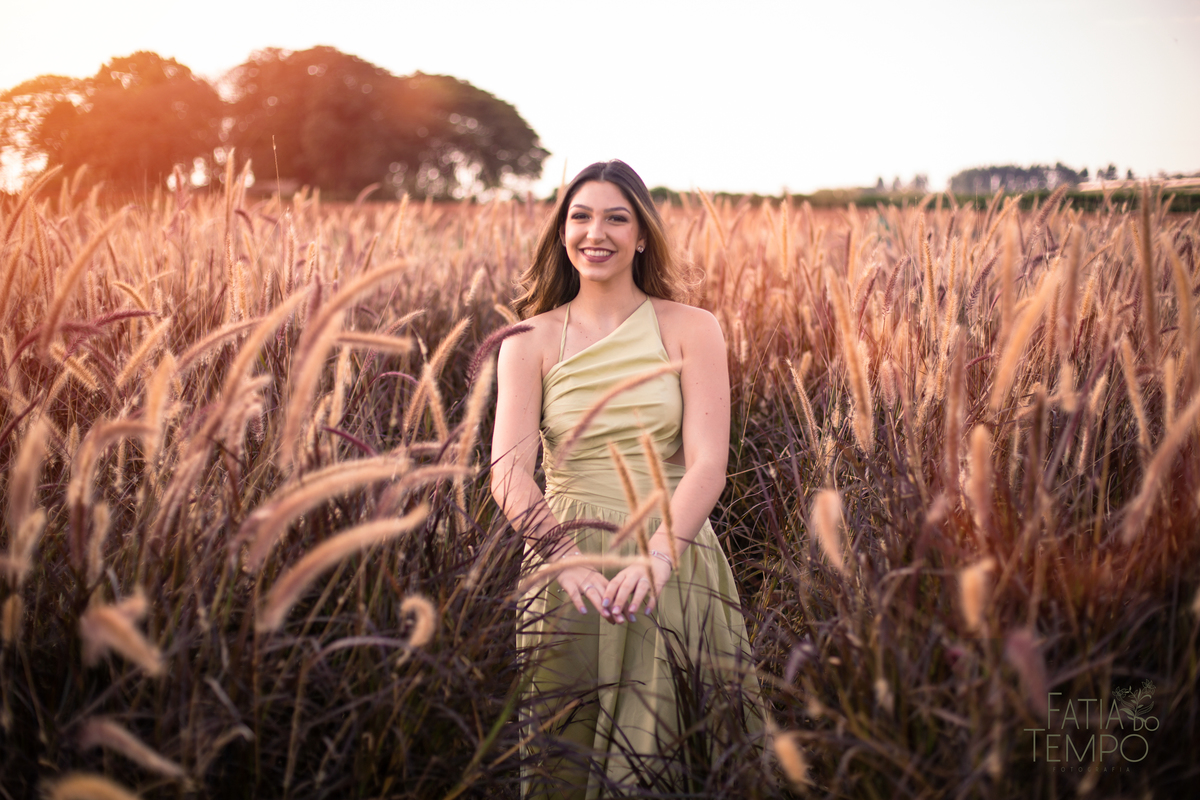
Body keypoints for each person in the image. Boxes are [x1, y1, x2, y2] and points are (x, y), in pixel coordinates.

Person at [490, 160, 760, 799]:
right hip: (565, 564)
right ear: (561, 233)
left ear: (642, 236)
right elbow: (508, 474)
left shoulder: (693, 327)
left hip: (674, 555)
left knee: (676, 749)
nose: (595, 232)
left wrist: (660, 559)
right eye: (579, 216)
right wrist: (566, 563)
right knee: (565, 750)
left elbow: (707, 465)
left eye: (617, 217)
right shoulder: (527, 339)